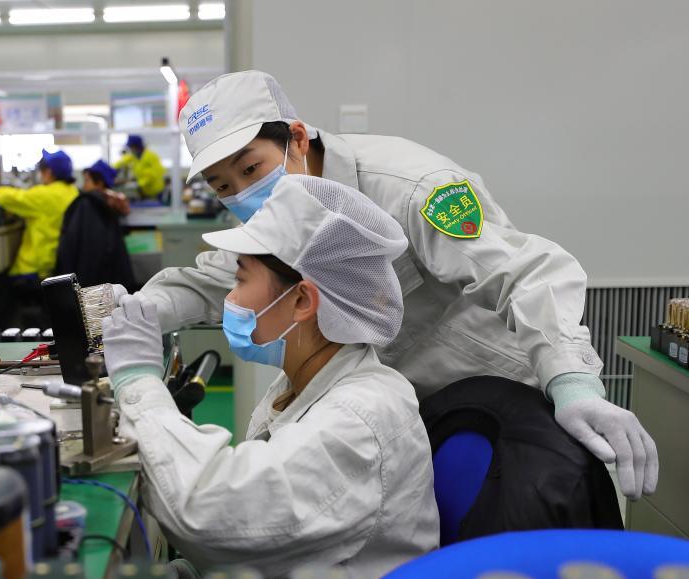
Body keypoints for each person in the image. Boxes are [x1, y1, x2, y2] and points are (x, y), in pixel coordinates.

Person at [133, 70, 657, 500]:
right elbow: (217, 280)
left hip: (500, 404)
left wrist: (571, 381)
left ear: (296, 138)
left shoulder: (412, 187)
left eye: (251, 168)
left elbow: (525, 271)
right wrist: (125, 312)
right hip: (396, 413)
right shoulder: (280, 211)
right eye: (223, 186)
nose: (243, 193)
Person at [102, 175, 439, 579]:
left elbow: (209, 514)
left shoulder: (360, 419)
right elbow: (282, 532)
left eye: (241, 280)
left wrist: (137, 381)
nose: (231, 298)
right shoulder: (301, 383)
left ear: (302, 301)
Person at [0, 149, 79, 278]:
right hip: (58, 264)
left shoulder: (44, 194)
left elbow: (7, 198)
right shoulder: (74, 192)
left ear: (49, 172)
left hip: (34, 269)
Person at [55, 160, 136, 290]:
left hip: (87, 279)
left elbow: (70, 243)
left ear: (99, 183)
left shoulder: (86, 204)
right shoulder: (110, 203)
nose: (84, 185)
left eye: (87, 180)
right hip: (111, 282)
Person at [114, 134, 165, 199]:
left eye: (131, 147)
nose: (130, 149)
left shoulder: (151, 157)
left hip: (155, 191)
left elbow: (151, 176)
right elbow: (122, 162)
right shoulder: (134, 156)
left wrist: (135, 184)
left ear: (137, 146)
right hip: (144, 191)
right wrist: (112, 170)